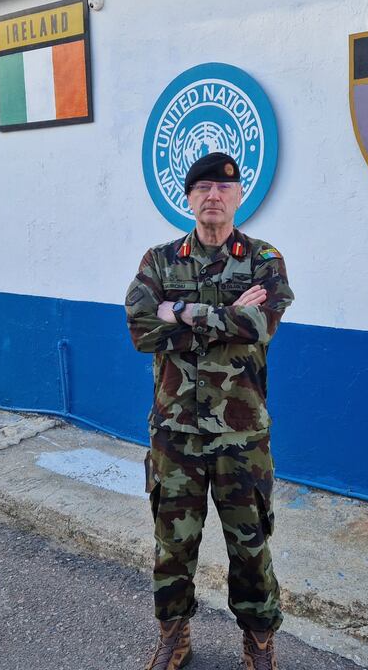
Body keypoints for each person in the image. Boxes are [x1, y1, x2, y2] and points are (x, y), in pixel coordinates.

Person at [125, 152, 294, 670]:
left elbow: (261, 325)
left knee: (250, 547)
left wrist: (176, 311)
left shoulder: (265, 259)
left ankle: (259, 642)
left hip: (242, 438)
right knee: (172, 545)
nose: (212, 196)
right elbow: (138, 326)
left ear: (240, 195)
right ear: (189, 198)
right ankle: (173, 636)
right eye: (201, 188)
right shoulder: (159, 261)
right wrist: (227, 313)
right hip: (175, 432)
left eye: (222, 188)